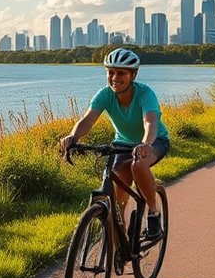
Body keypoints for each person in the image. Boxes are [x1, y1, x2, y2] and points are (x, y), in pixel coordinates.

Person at [59, 48, 170, 240]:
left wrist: (145, 144)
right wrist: (73, 137)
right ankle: (119, 249)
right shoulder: (105, 95)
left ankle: (153, 212)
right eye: (111, 72)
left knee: (138, 164)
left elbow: (150, 122)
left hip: (154, 140)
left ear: (133, 75)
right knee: (116, 206)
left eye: (121, 73)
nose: (115, 77)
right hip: (122, 144)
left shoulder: (145, 94)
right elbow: (87, 120)